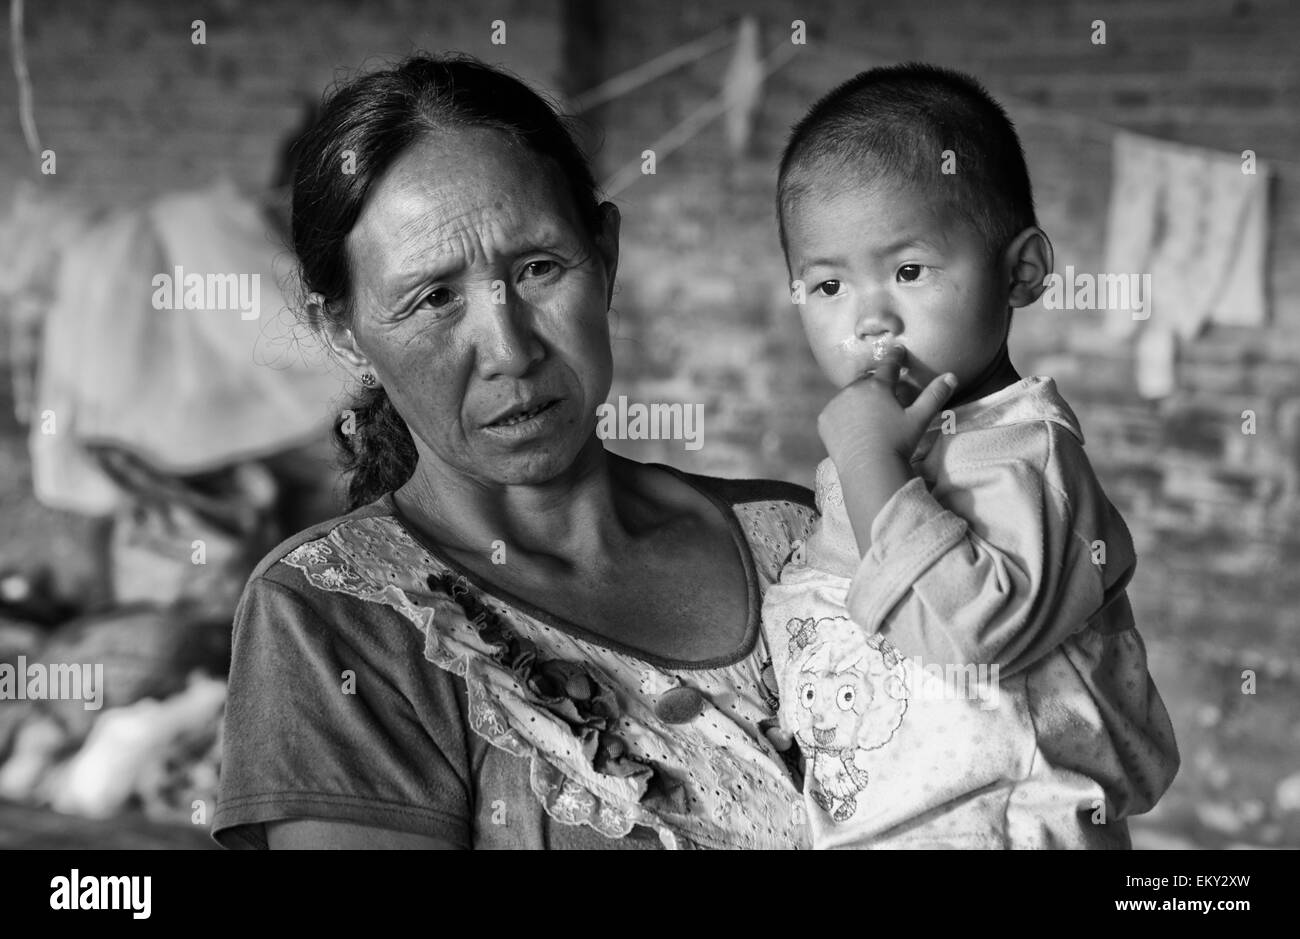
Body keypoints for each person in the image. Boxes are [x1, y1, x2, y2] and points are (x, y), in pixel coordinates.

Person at [211, 54, 816, 850]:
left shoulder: (796, 544)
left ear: (605, 255)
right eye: (434, 298)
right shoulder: (334, 617)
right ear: (344, 333)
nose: (508, 348)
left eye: (538, 268)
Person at [762, 63, 1180, 848]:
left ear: (1020, 271)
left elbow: (969, 637)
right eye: (826, 287)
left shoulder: (1028, 456)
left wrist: (867, 462)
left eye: (909, 271)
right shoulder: (889, 444)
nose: (869, 321)